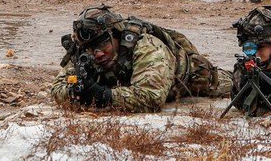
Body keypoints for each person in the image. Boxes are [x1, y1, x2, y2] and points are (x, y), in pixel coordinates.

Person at [50, 6, 230, 112]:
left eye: (103, 45)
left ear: (116, 35)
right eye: (91, 48)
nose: (97, 54)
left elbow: (152, 98)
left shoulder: (146, 46)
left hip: (192, 80)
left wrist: (104, 96)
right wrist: (77, 93)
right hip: (134, 84)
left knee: (235, 82)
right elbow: (57, 88)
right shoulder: (83, 52)